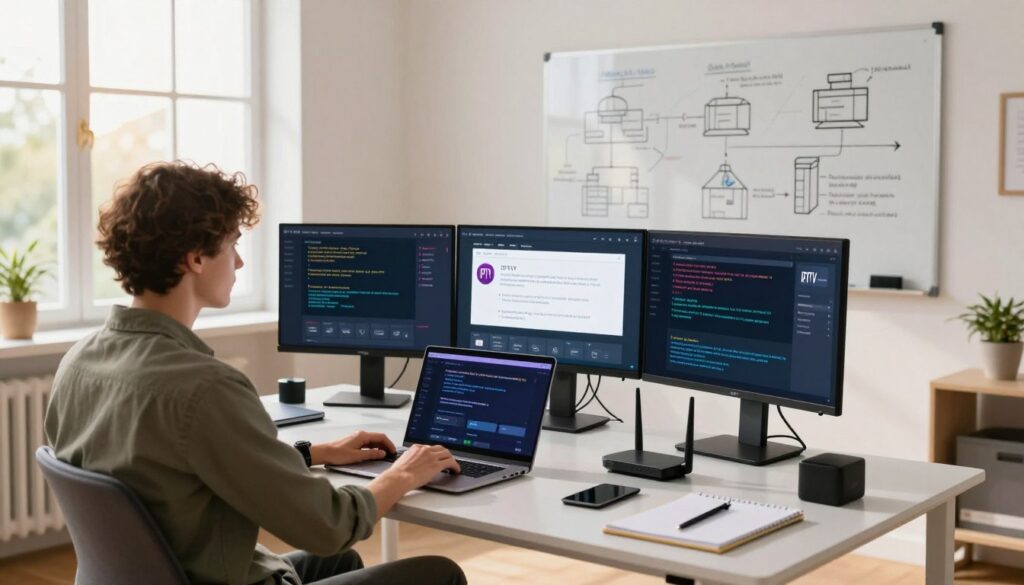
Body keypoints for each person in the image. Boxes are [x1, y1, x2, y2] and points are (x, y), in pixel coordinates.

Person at [44, 161, 466, 585]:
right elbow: (329, 526)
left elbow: (167, 470)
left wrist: (310, 454)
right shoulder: (204, 387)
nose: (240, 262)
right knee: (439, 573)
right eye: (232, 245)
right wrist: (405, 472)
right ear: (195, 259)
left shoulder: (78, 363)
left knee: (341, 566)